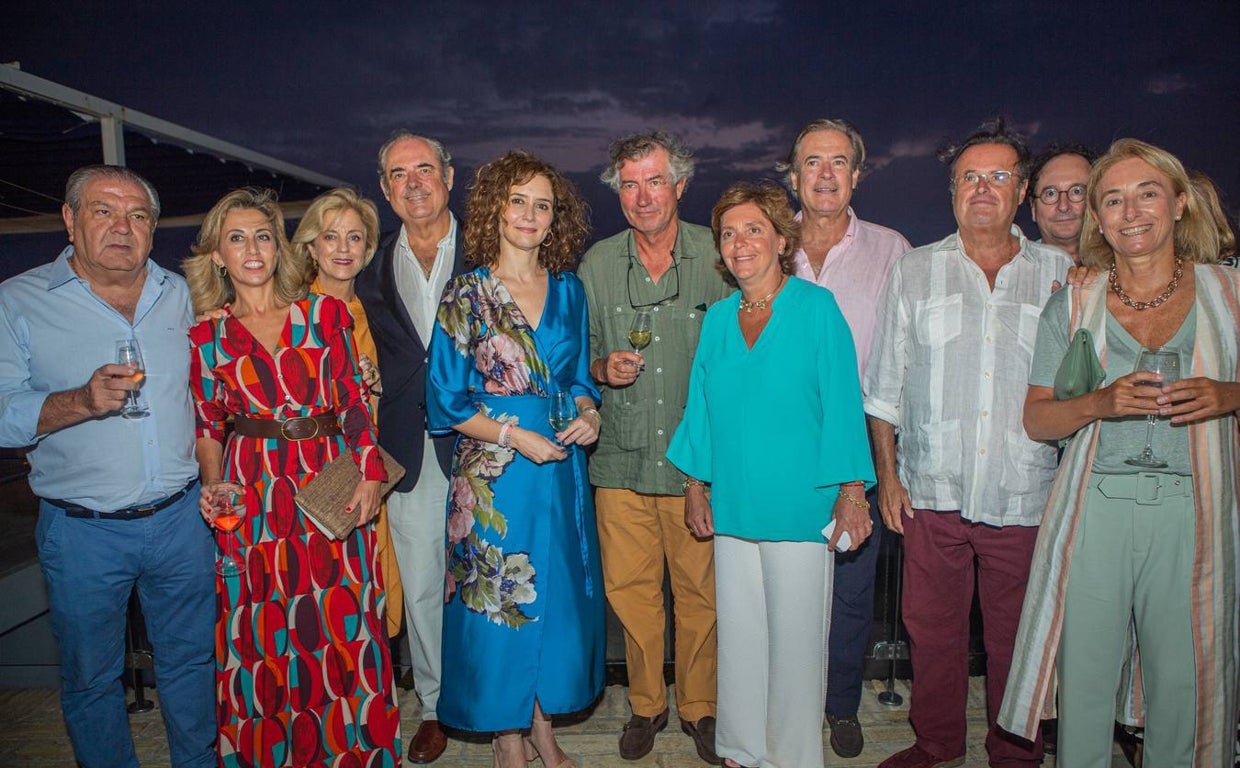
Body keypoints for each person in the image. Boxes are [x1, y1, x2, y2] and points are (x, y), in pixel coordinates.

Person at [1000, 138, 1239, 768]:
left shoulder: (1230, 294)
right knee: (1084, 682)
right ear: (1098, 219)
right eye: (1113, 200)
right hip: (1096, 508)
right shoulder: (1074, 302)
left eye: (1147, 193)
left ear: (1180, 203)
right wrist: (1099, 405)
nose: (1131, 212)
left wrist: (1230, 393)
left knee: (1183, 682)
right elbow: (1037, 417)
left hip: (1196, 508)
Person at [865, 118, 1072, 768]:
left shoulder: (1062, 276)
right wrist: (890, 477)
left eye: (997, 177)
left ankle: (1015, 752)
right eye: (968, 178)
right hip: (933, 491)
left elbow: (1084, 387)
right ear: (953, 190)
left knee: (1018, 637)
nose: (982, 189)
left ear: (1022, 192)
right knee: (932, 633)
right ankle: (938, 744)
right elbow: (883, 390)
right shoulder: (916, 271)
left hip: (1027, 493)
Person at [0, 165, 215, 767]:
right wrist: (80, 401)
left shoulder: (184, 294)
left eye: (138, 215)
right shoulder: (18, 302)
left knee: (192, 664)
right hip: (81, 530)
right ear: (69, 220)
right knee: (92, 680)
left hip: (180, 521)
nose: (123, 227)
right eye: (103, 211)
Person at [184, 188, 399, 767]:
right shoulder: (208, 334)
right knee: (262, 627)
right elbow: (208, 426)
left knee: (346, 621)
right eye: (237, 238)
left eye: (263, 236)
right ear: (217, 256)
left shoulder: (323, 313)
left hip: (330, 477)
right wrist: (214, 484)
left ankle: (356, 752)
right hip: (253, 492)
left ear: (280, 249)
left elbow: (353, 402)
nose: (252, 249)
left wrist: (371, 474)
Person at [667, 181, 874, 768]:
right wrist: (695, 485)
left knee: (797, 643)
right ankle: (740, 748)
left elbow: (841, 400)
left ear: (782, 240)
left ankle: (790, 757)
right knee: (741, 635)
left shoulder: (815, 309)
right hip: (734, 501)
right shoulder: (719, 318)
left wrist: (852, 491)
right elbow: (700, 405)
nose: (740, 243)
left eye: (754, 229)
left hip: (801, 504)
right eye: (729, 233)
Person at [427, 150, 603, 768]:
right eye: (518, 201)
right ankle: (507, 737)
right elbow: (444, 403)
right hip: (494, 477)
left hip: (559, 473)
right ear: (496, 209)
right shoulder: (466, 292)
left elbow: (581, 378)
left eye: (543, 205)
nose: (529, 215)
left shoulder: (571, 290)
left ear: (556, 220)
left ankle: (542, 726)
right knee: (498, 605)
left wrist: (591, 414)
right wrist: (513, 437)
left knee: (554, 601)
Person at [577, 131, 730, 764]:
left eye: (655, 181)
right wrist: (598, 369)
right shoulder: (596, 264)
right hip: (620, 459)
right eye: (630, 184)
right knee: (632, 594)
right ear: (619, 193)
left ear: (681, 187)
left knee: (701, 594)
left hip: (696, 463)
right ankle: (646, 705)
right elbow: (574, 361)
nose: (643, 196)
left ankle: (700, 708)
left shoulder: (719, 258)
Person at [776, 118, 911, 759]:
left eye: (838, 162)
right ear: (794, 175)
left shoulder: (893, 250)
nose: (825, 174)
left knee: (852, 585)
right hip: (778, 438)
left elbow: (907, 357)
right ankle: (786, 703)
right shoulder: (766, 247)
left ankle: (839, 706)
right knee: (784, 578)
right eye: (812, 162)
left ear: (857, 174)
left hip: (859, 434)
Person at [355, 131, 466, 764]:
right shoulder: (367, 262)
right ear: (385, 188)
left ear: (449, 177)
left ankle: (499, 696)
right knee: (423, 581)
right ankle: (436, 703)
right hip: (404, 444)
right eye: (399, 173)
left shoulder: (489, 250)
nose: (414, 182)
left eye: (425, 169)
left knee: (496, 575)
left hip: (482, 442)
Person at [290, 186, 404, 638]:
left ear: (368, 248)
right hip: (315, 471)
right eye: (330, 236)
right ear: (311, 246)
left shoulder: (372, 310)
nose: (342, 248)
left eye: (354, 238)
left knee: (372, 592)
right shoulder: (292, 310)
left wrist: (372, 386)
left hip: (369, 466)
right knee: (322, 597)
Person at [1028, 145, 1096, 265]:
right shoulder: (1013, 274)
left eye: (1077, 191)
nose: (1063, 207)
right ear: (1033, 208)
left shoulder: (1124, 269)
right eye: (1050, 193)